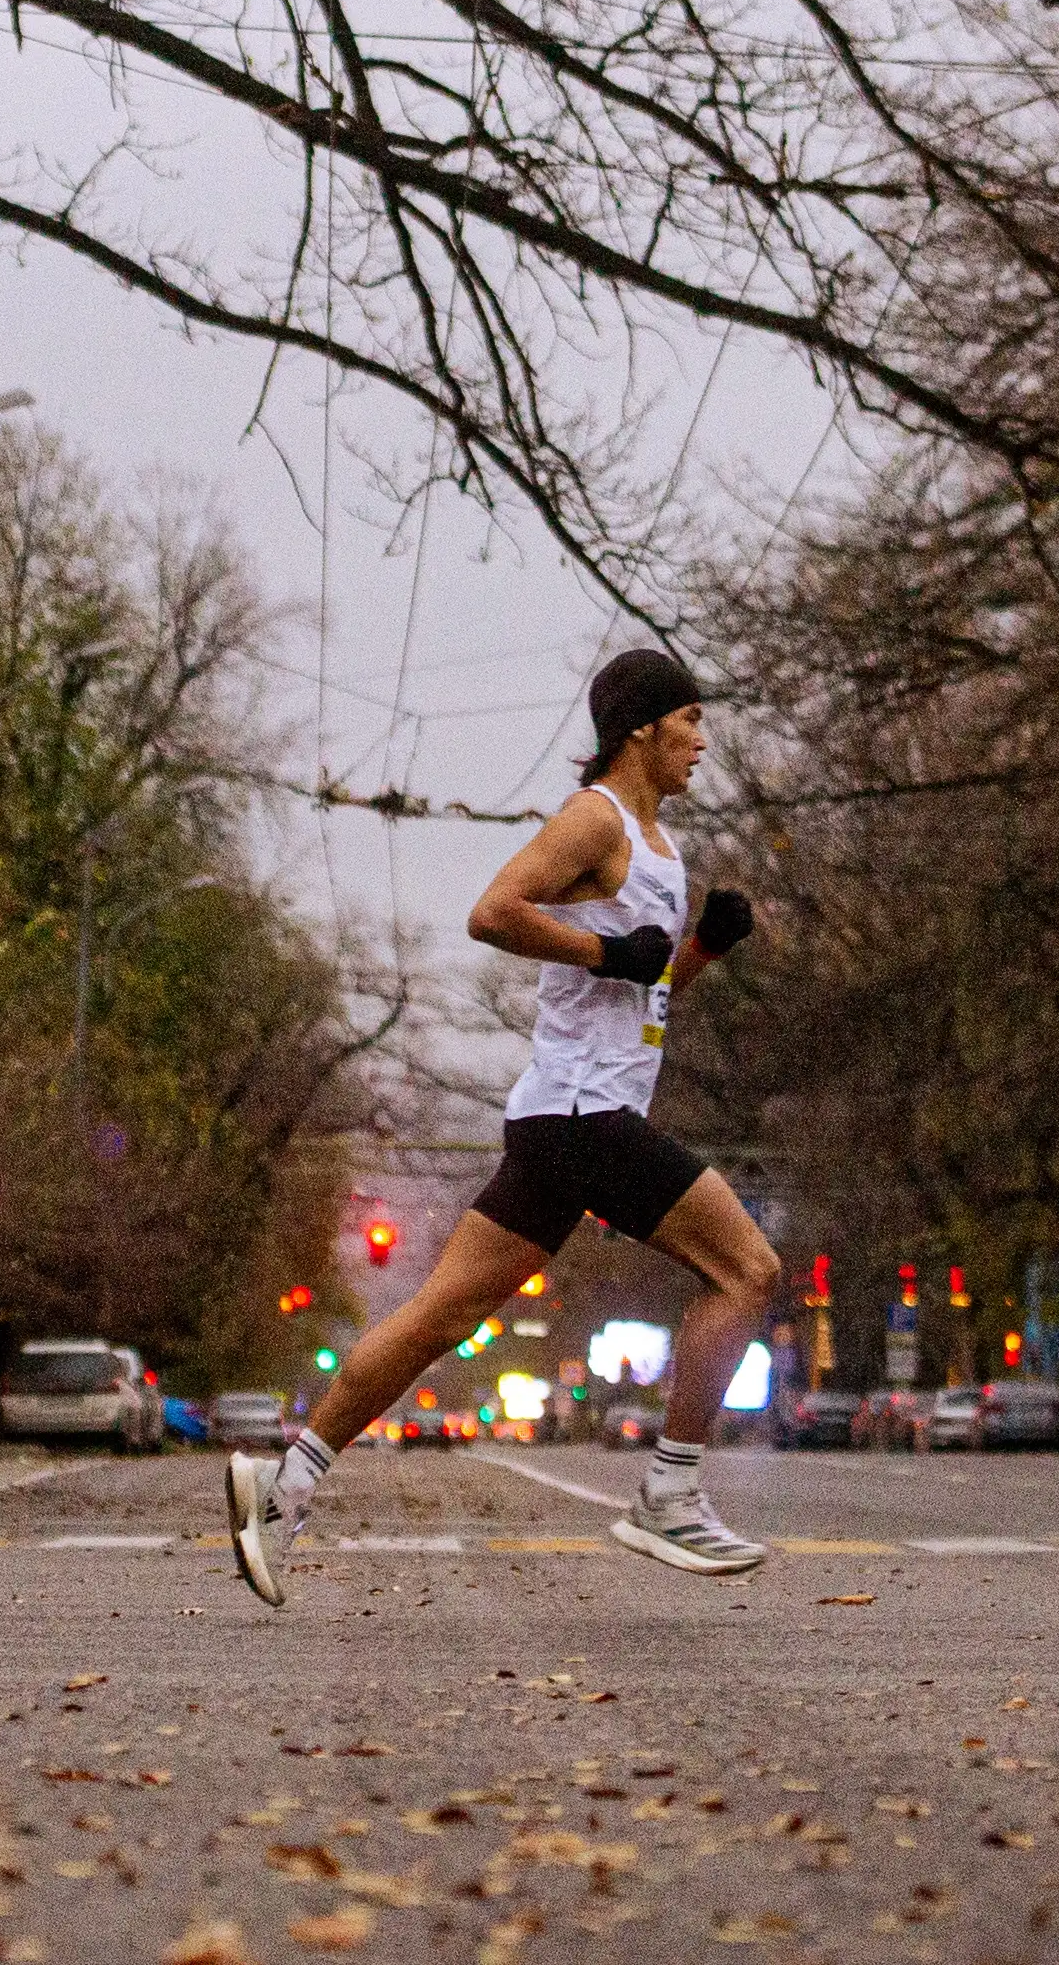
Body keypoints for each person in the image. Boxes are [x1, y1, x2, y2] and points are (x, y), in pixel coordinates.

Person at [225, 649, 781, 1604]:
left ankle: (287, 1481)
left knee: (438, 1316)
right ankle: (670, 1491)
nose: (703, 739)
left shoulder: (657, 845)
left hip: (560, 1122)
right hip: (586, 1118)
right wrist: (609, 947)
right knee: (750, 1273)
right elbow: (493, 913)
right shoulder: (593, 819)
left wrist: (699, 950)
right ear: (642, 729)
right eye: (690, 718)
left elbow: (640, 997)